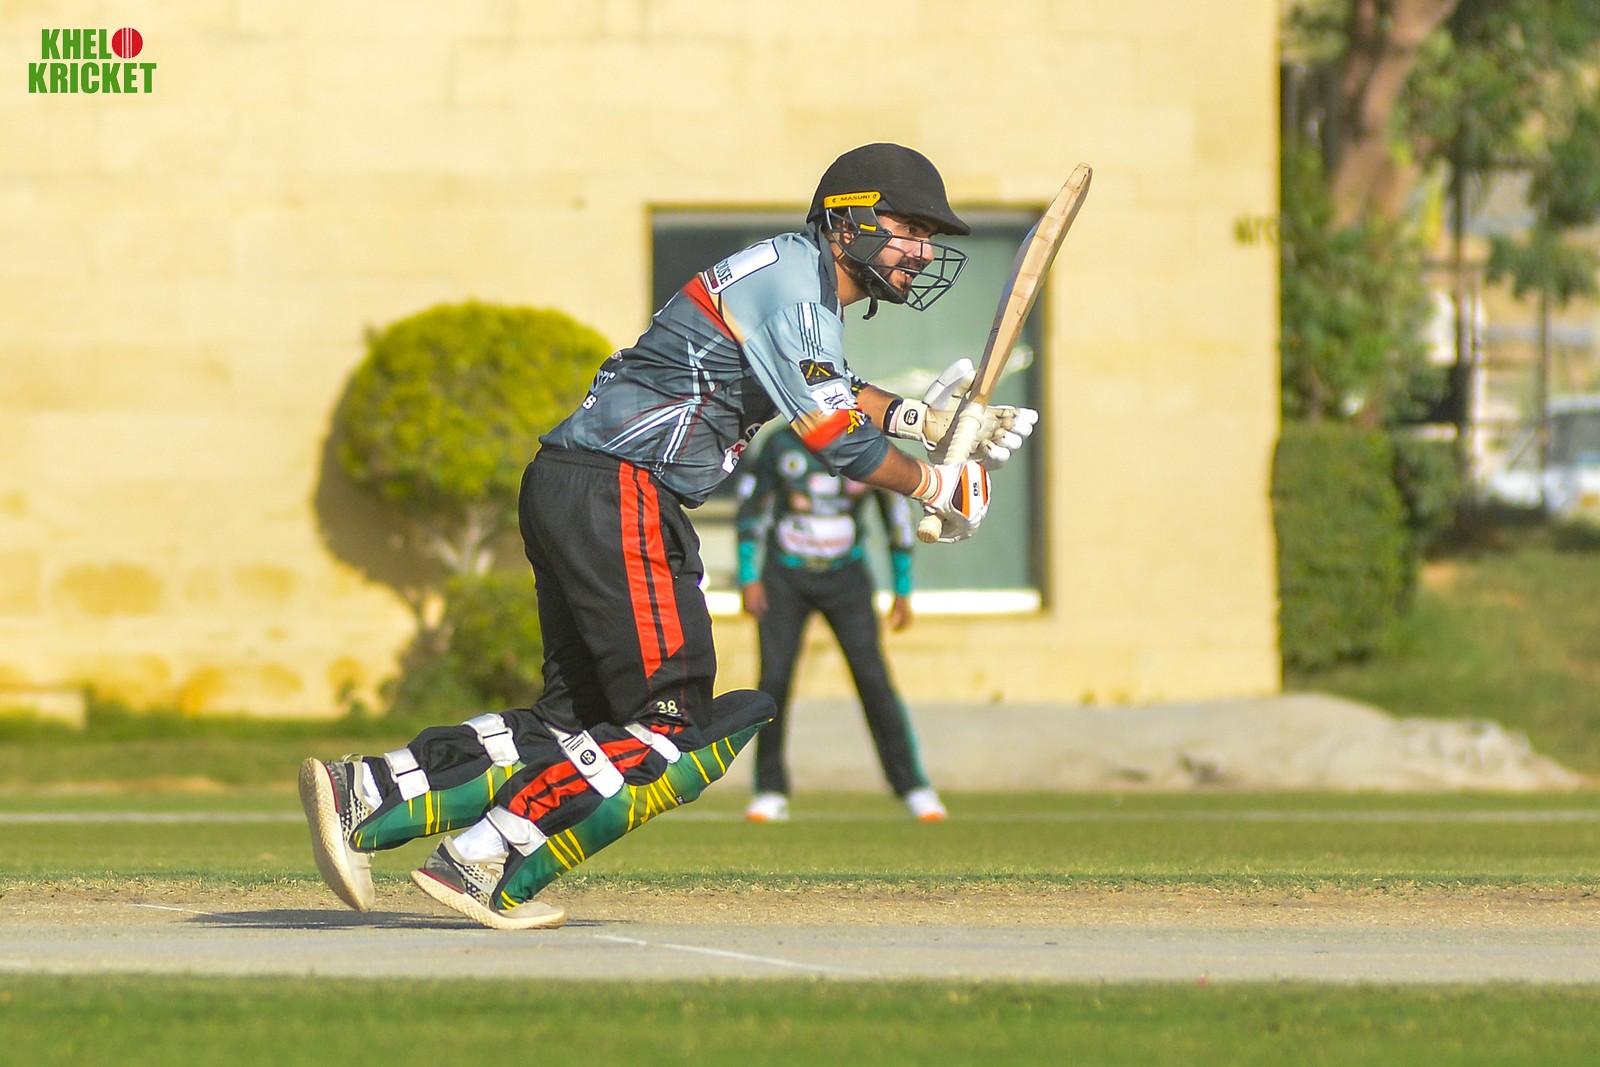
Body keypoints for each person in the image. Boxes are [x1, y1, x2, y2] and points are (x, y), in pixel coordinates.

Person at [298, 142, 1037, 930]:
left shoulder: (791, 277)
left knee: (572, 722)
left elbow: (829, 386)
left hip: (571, 481)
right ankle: (482, 857)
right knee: (670, 724)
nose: (921, 252)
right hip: (623, 490)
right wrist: (935, 484)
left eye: (929, 237)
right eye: (909, 229)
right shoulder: (797, 288)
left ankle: (368, 791)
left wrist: (925, 420)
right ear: (848, 219)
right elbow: (833, 432)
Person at [735, 424, 946, 822]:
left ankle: (912, 786)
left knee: (872, 677)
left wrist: (902, 587)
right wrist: (748, 576)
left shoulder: (866, 444)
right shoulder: (779, 444)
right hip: (785, 577)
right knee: (774, 679)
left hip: (847, 578)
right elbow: (752, 507)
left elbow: (896, 515)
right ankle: (769, 789)